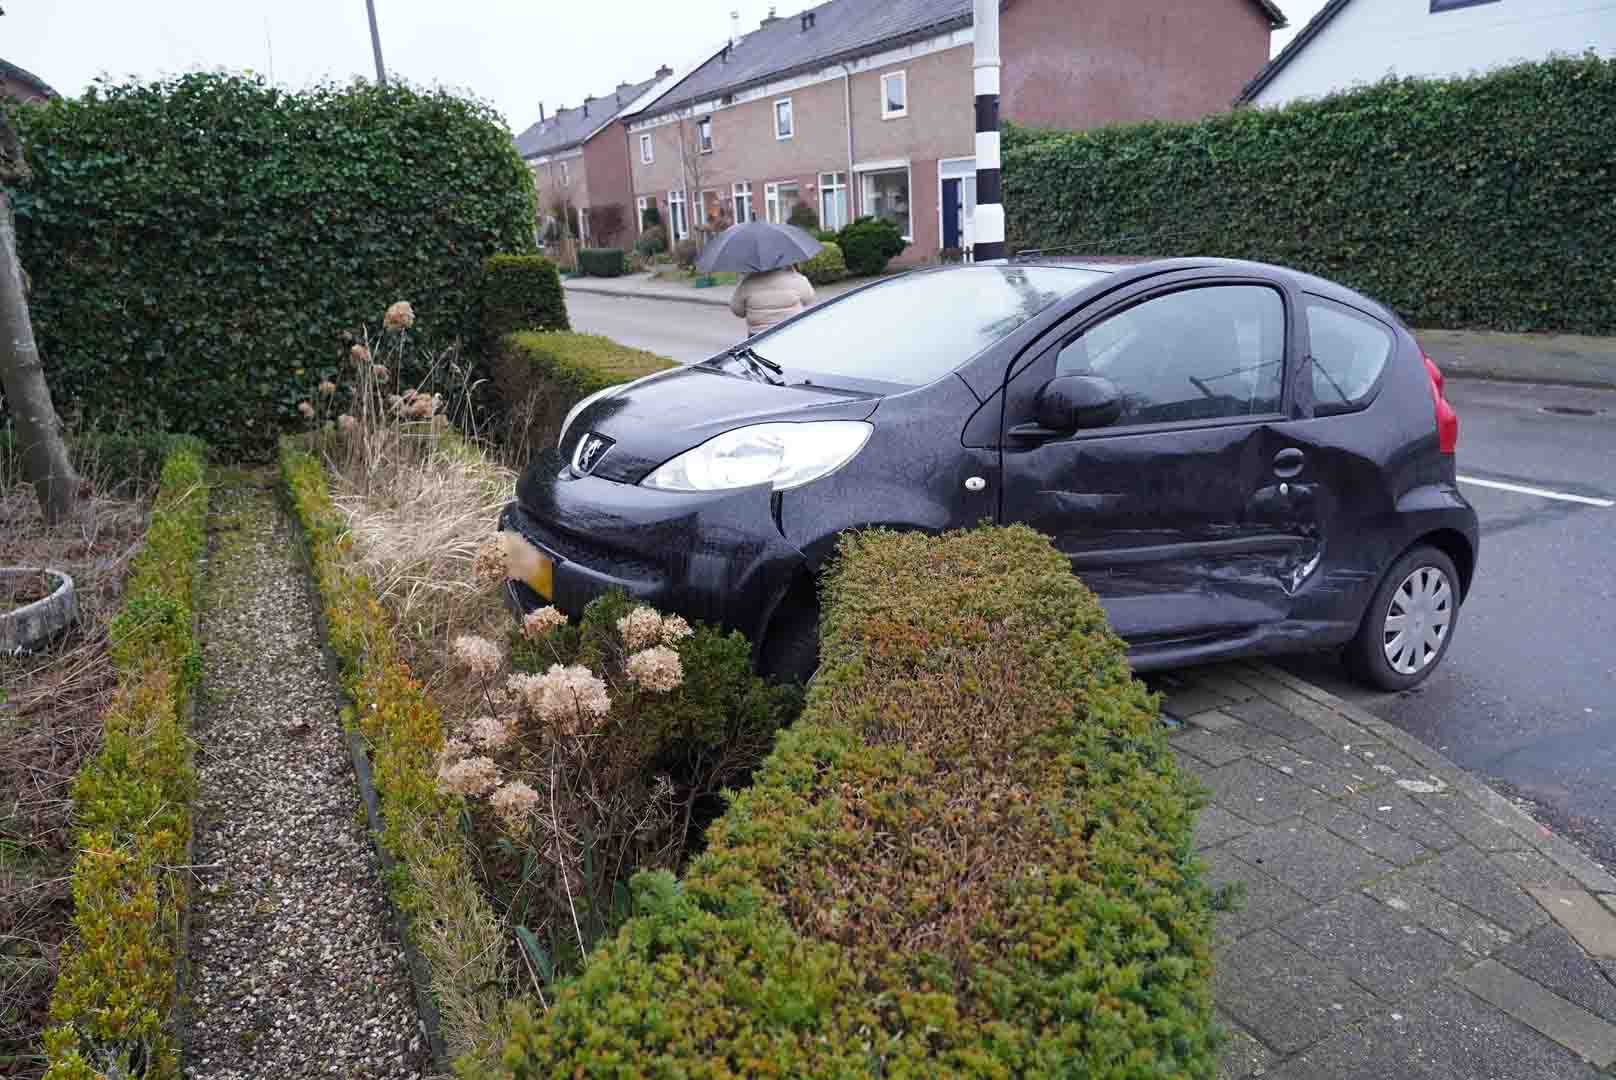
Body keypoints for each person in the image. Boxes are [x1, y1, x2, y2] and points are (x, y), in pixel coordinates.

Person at [729, 264, 816, 336]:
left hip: (758, 336)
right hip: (792, 330)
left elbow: (737, 311)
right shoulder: (795, 278)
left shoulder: (747, 283)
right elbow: (809, 299)